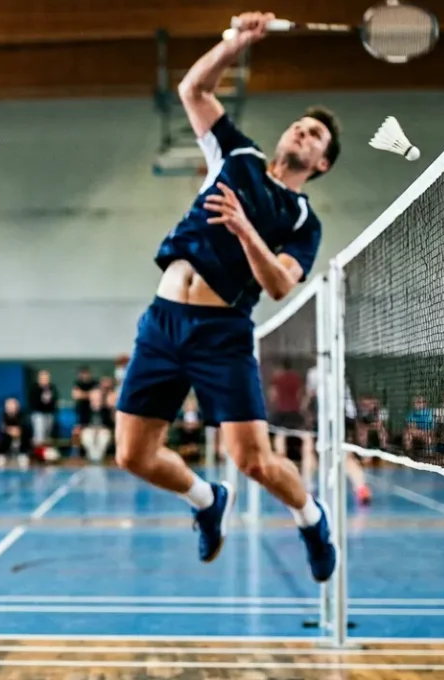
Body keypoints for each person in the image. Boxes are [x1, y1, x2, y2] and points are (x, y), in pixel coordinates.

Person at [113, 12, 339, 582]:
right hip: (163, 321)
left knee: (254, 461)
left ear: (322, 163)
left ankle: (311, 518)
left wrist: (244, 229)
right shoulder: (235, 156)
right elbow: (194, 88)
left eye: (314, 136)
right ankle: (206, 501)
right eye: (299, 127)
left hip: (223, 334)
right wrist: (235, 42)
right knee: (132, 455)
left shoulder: (302, 220)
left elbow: (282, 284)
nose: (301, 134)